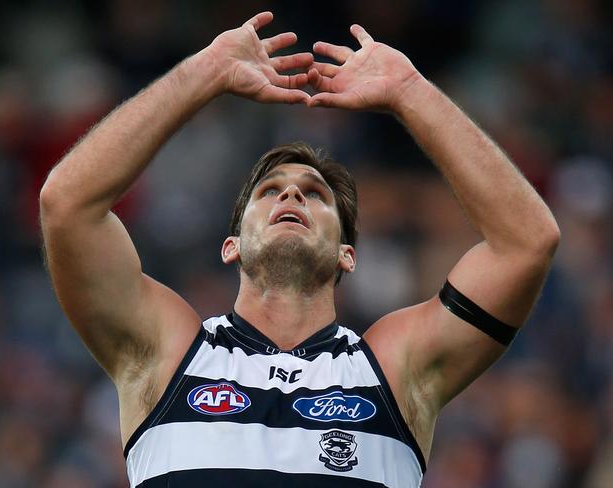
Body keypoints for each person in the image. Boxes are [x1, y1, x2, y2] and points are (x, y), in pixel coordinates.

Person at [39, 11, 560, 488]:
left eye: (315, 194)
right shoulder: (169, 354)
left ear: (346, 255)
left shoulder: (393, 370)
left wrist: (410, 91)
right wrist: (205, 73)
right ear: (231, 247)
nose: (291, 194)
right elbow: (67, 205)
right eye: (270, 191)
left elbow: (526, 244)